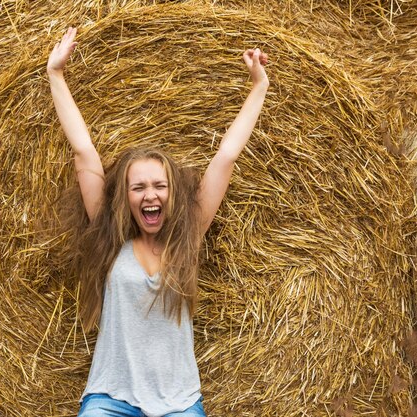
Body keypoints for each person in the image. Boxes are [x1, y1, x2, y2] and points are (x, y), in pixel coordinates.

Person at [47, 27, 269, 417]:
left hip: (178, 403)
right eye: (139, 188)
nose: (149, 195)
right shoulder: (110, 236)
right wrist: (56, 75)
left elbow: (226, 156)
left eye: (159, 186)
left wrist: (258, 87)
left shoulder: (188, 236)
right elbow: (84, 151)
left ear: (172, 194)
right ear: (125, 197)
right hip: (110, 399)